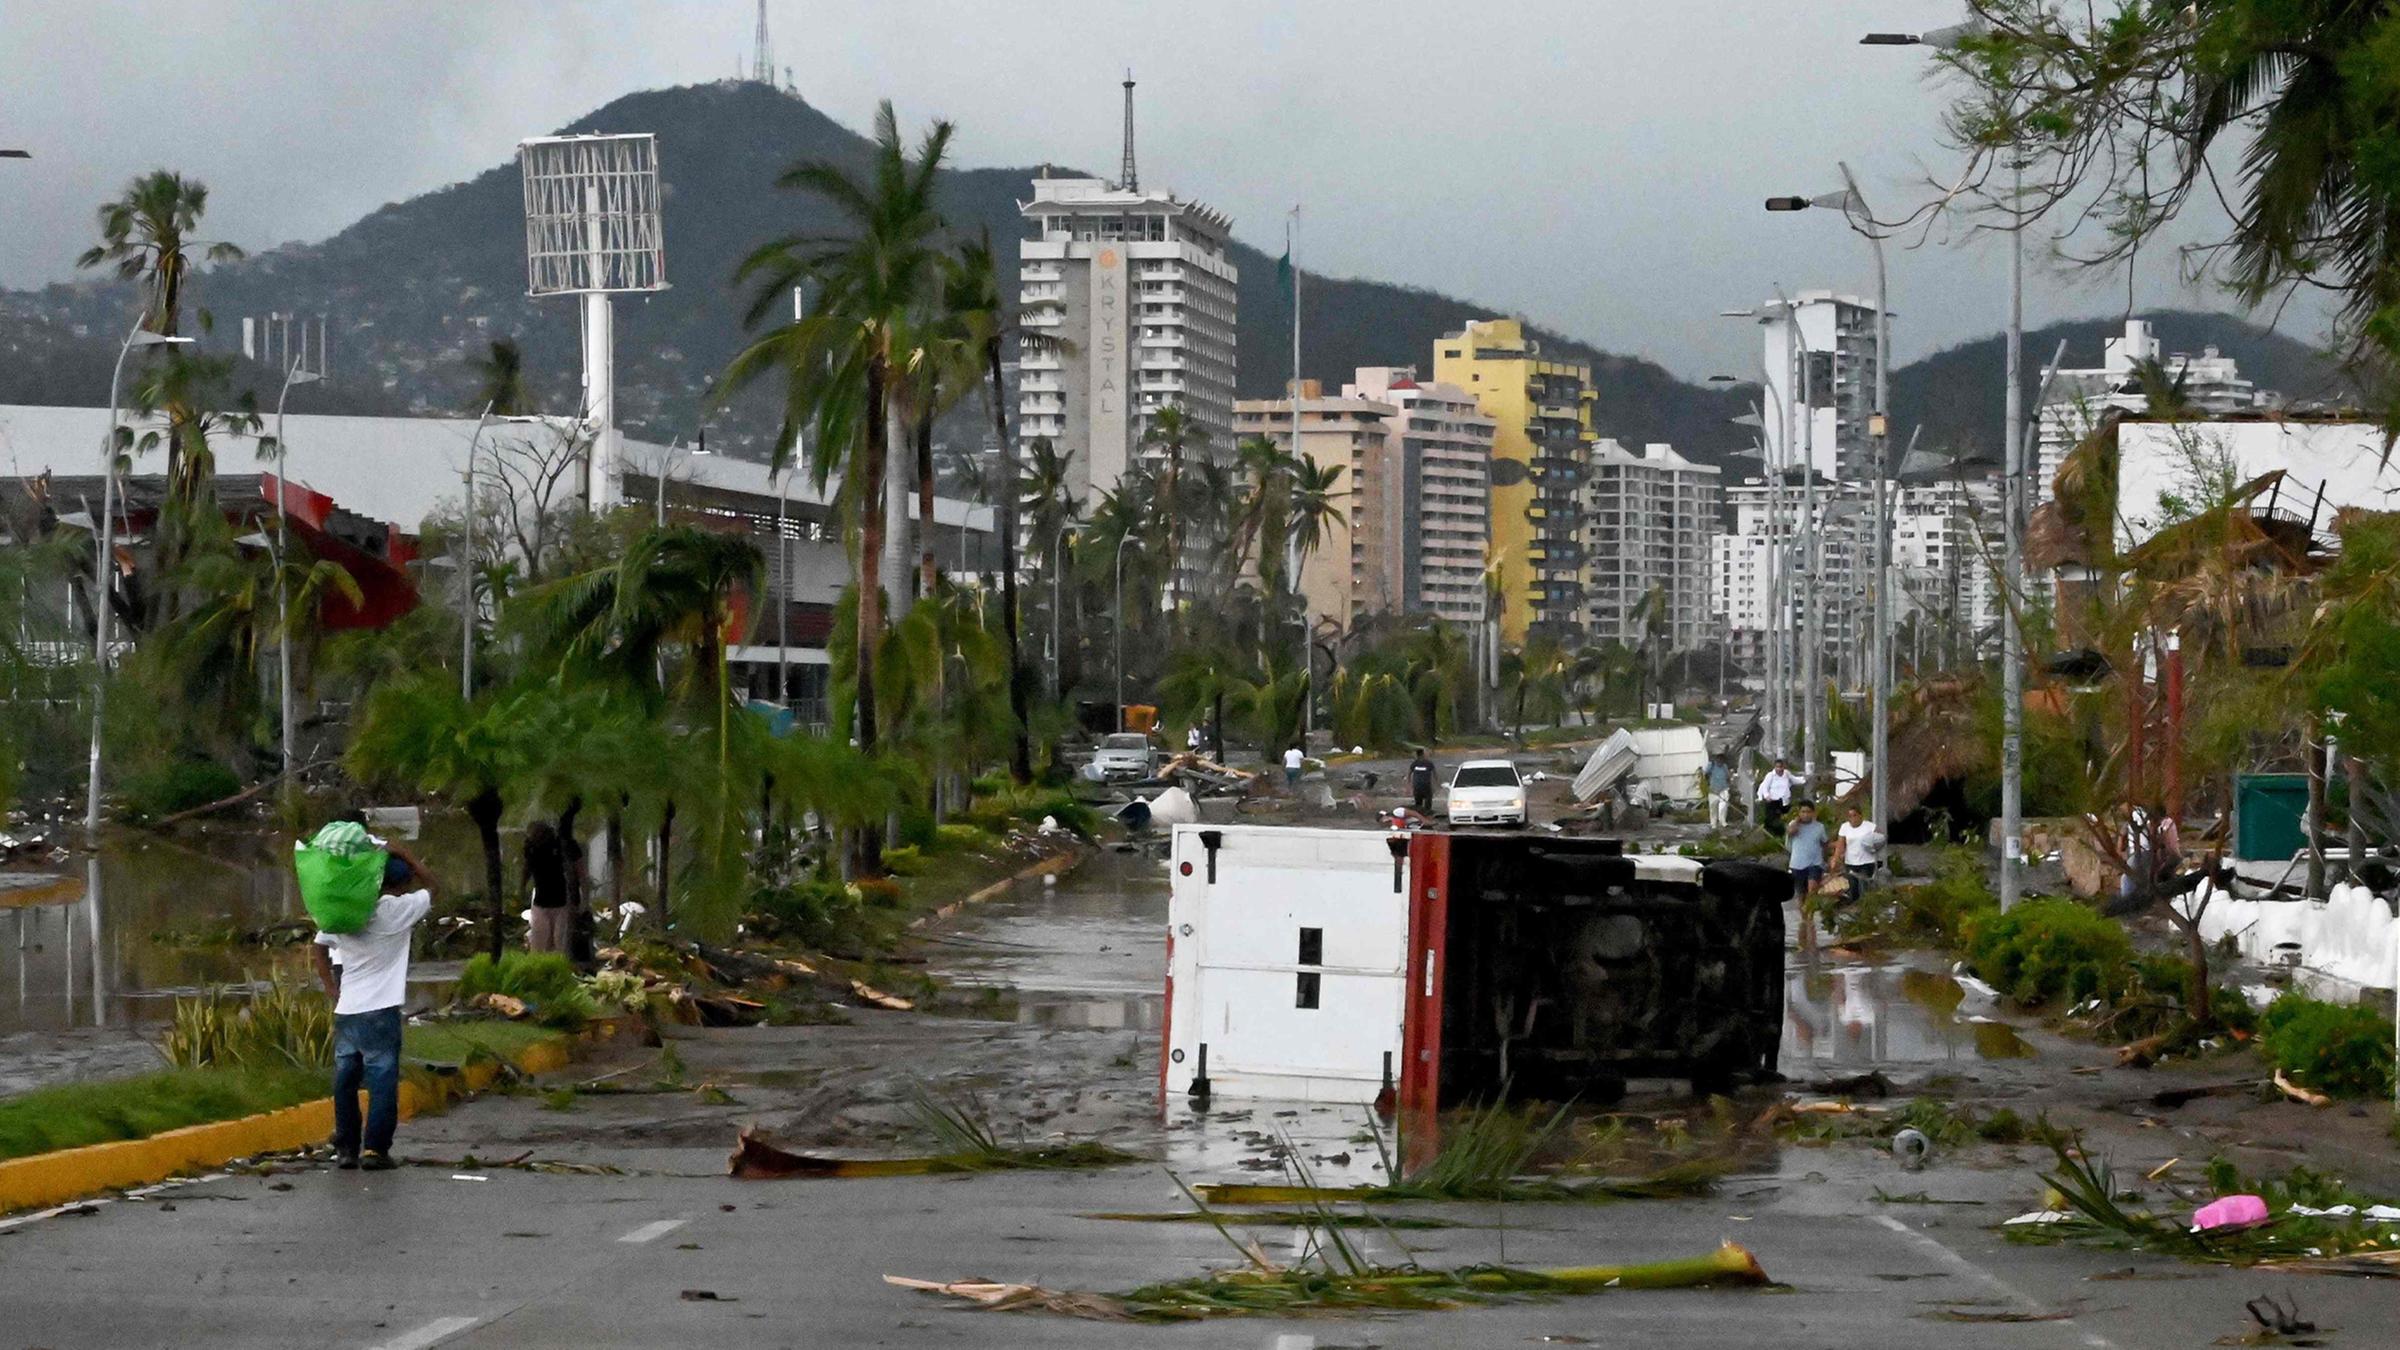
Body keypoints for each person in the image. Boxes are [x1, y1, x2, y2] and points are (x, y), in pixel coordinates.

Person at [312, 845, 435, 1171]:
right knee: (381, 1079)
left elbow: (319, 947)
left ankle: (347, 1149)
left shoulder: (349, 909)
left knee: (346, 1081)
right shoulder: (398, 910)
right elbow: (433, 886)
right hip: (381, 1009)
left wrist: (331, 989)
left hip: (348, 1009)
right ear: (398, 885)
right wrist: (406, 853)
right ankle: (375, 1150)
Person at [523, 820, 571, 954]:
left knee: (559, 939)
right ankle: (538, 966)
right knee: (539, 938)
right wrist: (522, 887)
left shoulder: (557, 846)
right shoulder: (531, 848)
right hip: (540, 901)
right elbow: (527, 868)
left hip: (559, 901)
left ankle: (559, 965)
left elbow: (569, 869)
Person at [1785, 801, 1827, 903]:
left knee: (1812, 889)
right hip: (1797, 864)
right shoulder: (1794, 825)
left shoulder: (1819, 827)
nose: (1806, 814)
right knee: (1801, 894)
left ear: (1813, 813)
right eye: (1803, 812)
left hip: (1815, 864)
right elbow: (1790, 832)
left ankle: (1810, 916)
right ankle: (1805, 918)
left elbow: (1825, 842)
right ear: (1799, 813)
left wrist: (1826, 859)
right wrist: (1796, 821)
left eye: (1808, 812)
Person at [1836, 805, 1885, 882]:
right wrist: (1836, 857)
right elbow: (1840, 844)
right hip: (1850, 862)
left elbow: (1881, 839)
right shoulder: (1844, 827)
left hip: (1866, 862)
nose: (1852, 818)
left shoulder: (1870, 826)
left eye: (1854, 815)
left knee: (1864, 886)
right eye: (1850, 816)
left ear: (1860, 815)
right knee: (1853, 888)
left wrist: (1874, 848)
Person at [1759, 758, 1796, 832]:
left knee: (1784, 817)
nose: (1779, 769)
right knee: (1772, 818)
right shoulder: (1770, 775)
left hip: (1784, 801)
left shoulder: (1786, 774)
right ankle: (1770, 832)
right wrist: (1766, 796)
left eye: (1780, 767)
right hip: (1773, 800)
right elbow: (1765, 786)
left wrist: (1804, 779)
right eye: (1777, 767)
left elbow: (1794, 779)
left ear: (1783, 767)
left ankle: (1782, 832)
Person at [1704, 758, 1731, 830]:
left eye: (1722, 759)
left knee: (1723, 806)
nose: (1720, 762)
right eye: (1719, 759)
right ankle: (1713, 824)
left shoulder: (1725, 766)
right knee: (1713, 807)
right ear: (1716, 759)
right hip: (1713, 790)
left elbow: (1728, 776)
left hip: (1723, 789)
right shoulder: (1711, 765)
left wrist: (1728, 786)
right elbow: (1706, 775)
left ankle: (1723, 822)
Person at [1409, 748, 1437, 815]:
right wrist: (1436, 784)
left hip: (1417, 786)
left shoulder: (1414, 763)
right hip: (1426, 786)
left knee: (1418, 802)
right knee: (1428, 800)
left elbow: (1409, 774)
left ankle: (1419, 814)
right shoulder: (1428, 763)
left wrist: (1409, 784)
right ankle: (1427, 814)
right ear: (1423, 754)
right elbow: (1435, 774)